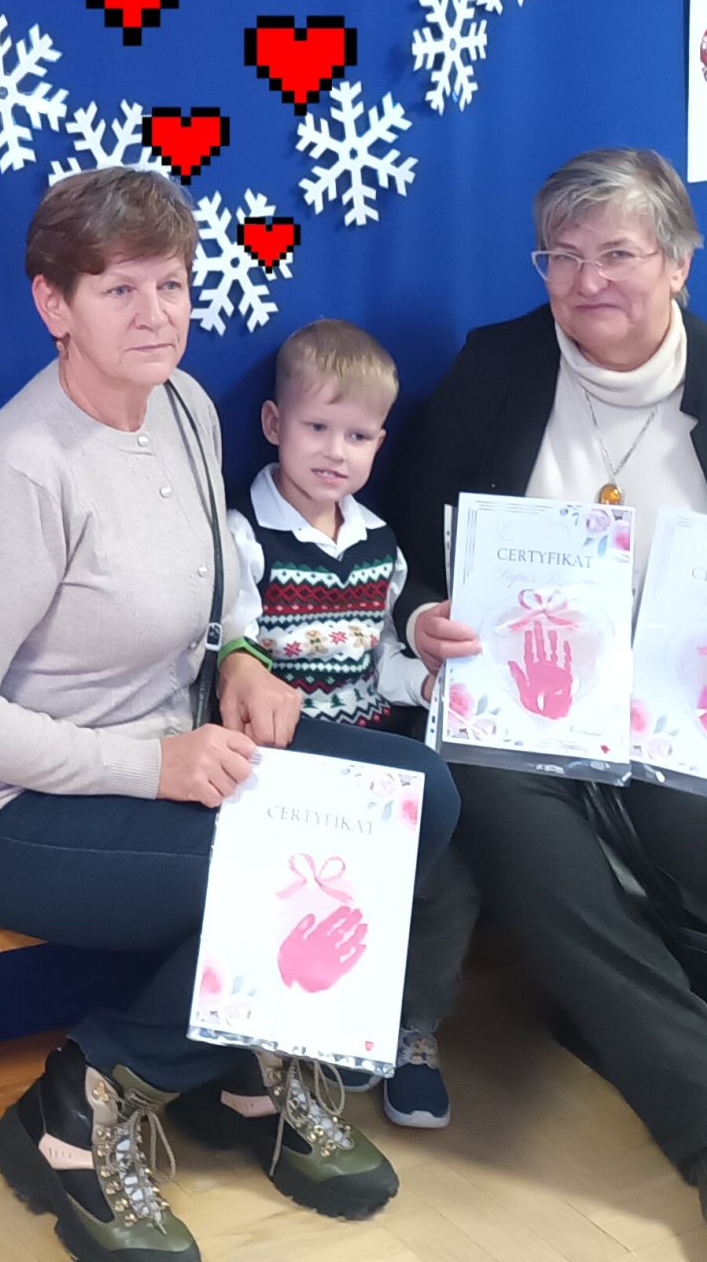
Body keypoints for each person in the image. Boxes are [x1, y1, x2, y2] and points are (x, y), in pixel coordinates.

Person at [0, 168, 460, 1262]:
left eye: (173, 285)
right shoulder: (19, 473)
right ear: (54, 305)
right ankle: (79, 1104)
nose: (157, 315)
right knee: (291, 876)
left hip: (175, 743)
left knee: (415, 798)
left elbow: (215, 590)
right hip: (0, 809)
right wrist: (152, 765)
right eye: (120, 290)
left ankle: (247, 1076)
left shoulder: (188, 406)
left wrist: (240, 654)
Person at [385, 147, 707, 1262]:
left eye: (616, 254)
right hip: (519, 716)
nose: (587, 282)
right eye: (561, 257)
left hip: (691, 710)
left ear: (678, 261)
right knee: (551, 878)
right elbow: (410, 556)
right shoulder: (492, 370)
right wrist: (421, 618)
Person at [228, 316, 479, 1131]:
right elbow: (231, 653)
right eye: (317, 428)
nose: (336, 452)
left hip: (374, 745)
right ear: (275, 424)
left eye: (359, 436)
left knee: (446, 883)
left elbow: (380, 663)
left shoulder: (379, 545)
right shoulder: (245, 536)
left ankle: (410, 1031)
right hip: (285, 761)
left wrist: (428, 682)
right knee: (320, 891)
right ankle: (317, 1030)